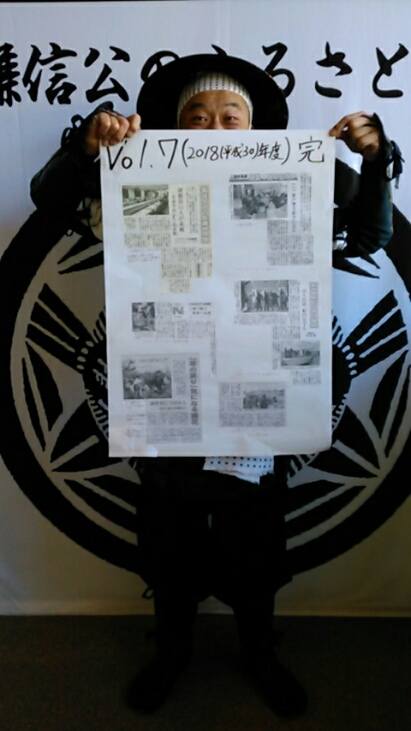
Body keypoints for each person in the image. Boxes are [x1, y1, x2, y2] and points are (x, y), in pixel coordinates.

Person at [30, 51, 399, 718]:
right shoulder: (135, 179)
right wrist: (86, 146)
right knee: (166, 542)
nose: (213, 126)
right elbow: (50, 201)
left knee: (255, 542)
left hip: (259, 397)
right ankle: (170, 649)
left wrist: (374, 162)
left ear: (253, 129)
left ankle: (258, 650)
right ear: (174, 129)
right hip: (165, 396)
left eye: (231, 116)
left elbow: (372, 234)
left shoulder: (297, 177)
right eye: (196, 116)